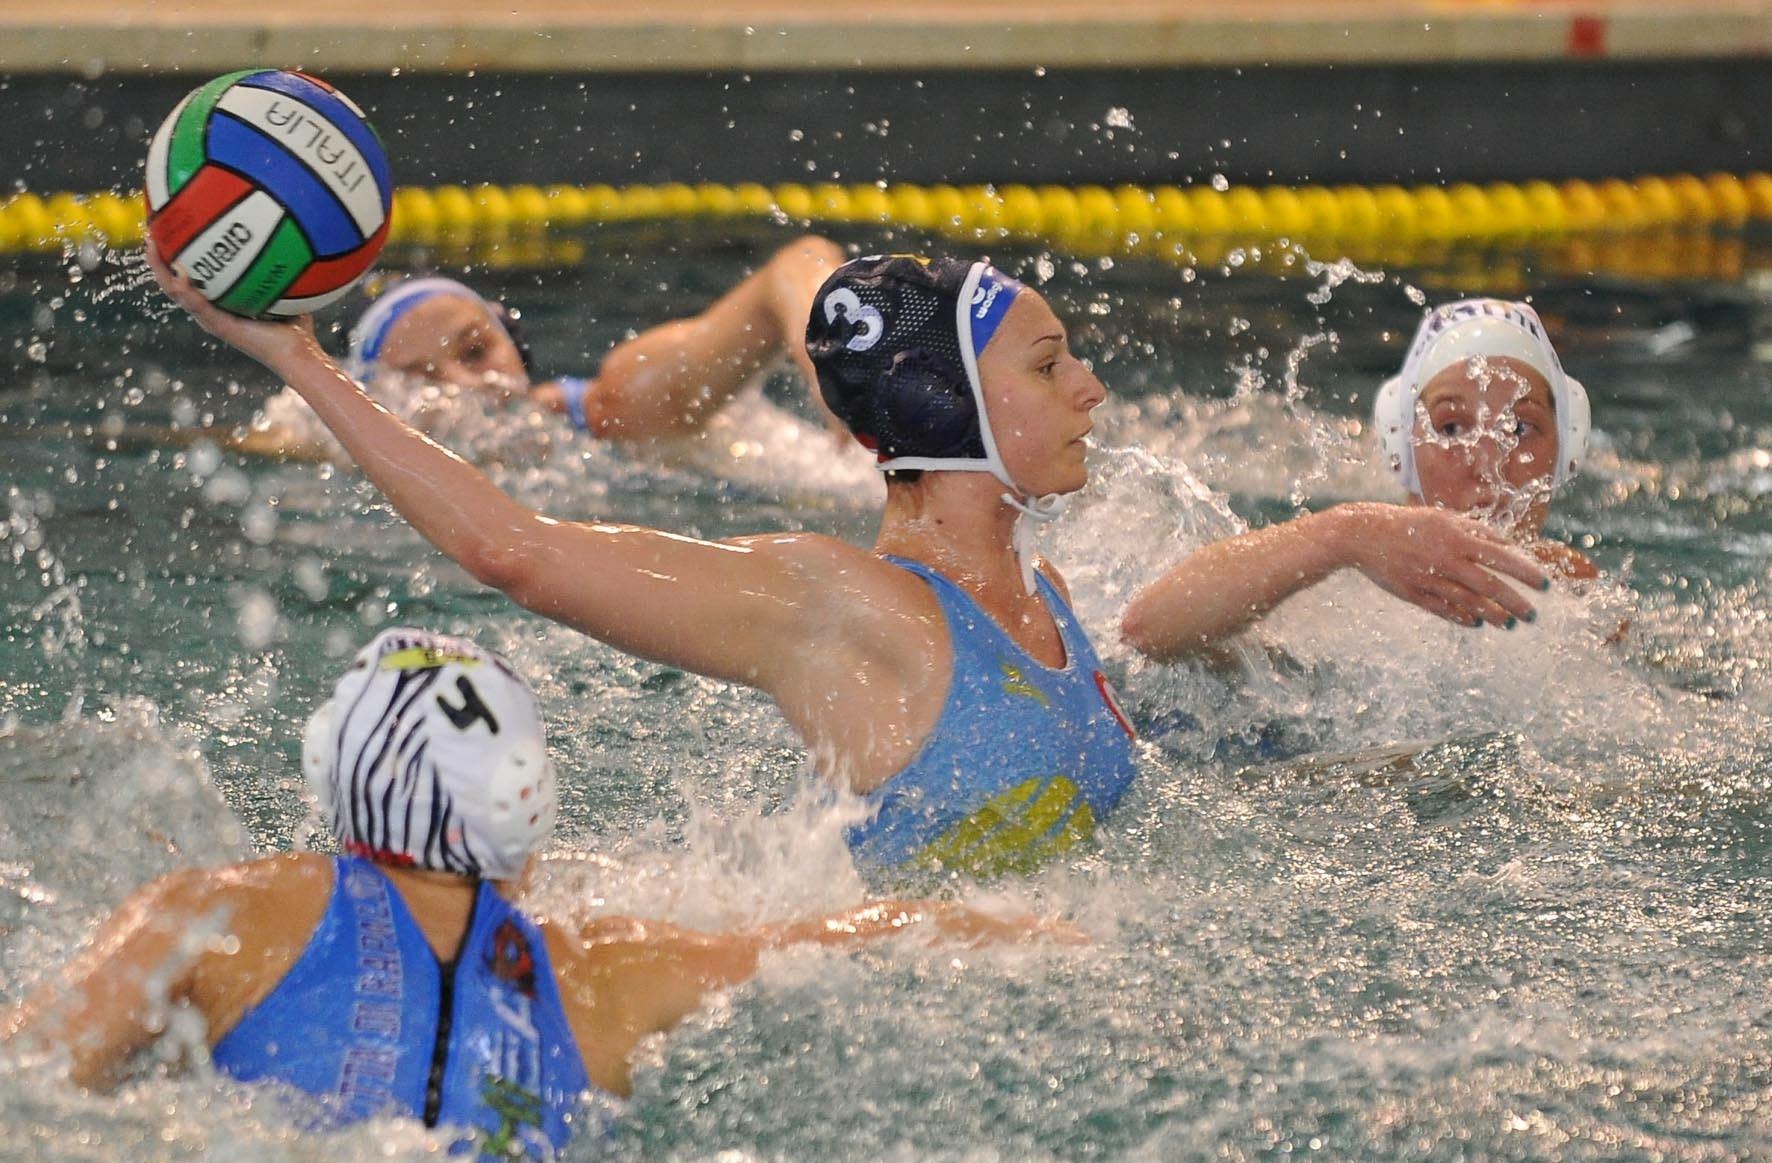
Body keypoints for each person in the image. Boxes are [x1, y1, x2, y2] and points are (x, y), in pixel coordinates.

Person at [147, 247, 1137, 880]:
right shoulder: (834, 605)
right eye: (1048, 364)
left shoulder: (1040, 591)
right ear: (938, 406)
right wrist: (299, 362)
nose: (1088, 387)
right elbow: (515, 550)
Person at [3, 628, 1069, 1158]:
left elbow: (31, 1082)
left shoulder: (223, 906)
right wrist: (1034, 926)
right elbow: (836, 938)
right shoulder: (600, 973)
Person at [1121, 298, 1593, 663]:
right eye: (1451, 428)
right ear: (1402, 447)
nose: (1488, 460)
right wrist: (1345, 534)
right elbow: (1144, 631)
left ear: (1566, 448)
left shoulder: (1576, 595)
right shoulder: (1345, 587)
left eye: (1519, 428)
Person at [231, 234, 849, 460]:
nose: (472, 385)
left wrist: (830, 351)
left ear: (516, 344)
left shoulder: (618, 412)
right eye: (424, 379)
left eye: (476, 352)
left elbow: (795, 266)